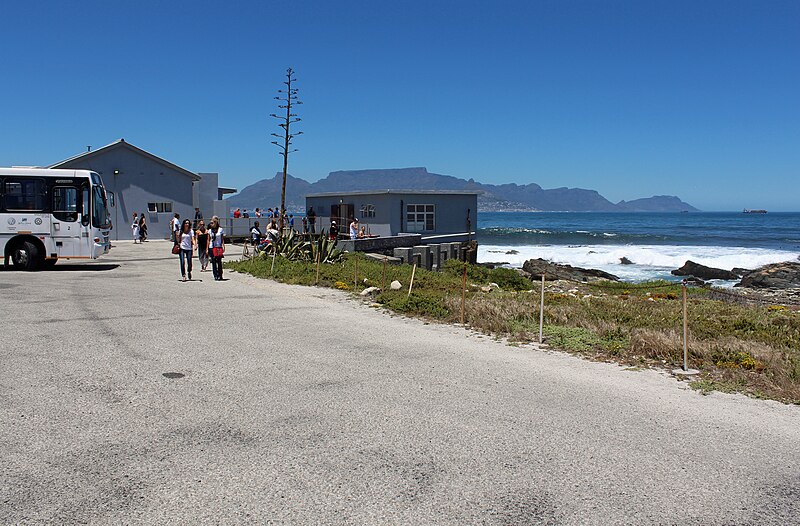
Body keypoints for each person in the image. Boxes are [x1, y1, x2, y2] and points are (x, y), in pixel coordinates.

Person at [208, 216, 225, 281]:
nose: (211, 224)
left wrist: (223, 245)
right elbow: (208, 240)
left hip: (218, 247)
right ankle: (215, 275)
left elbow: (222, 238)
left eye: (212, 223)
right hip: (212, 247)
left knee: (219, 262)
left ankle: (220, 274)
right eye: (211, 223)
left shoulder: (220, 230)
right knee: (214, 261)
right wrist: (207, 249)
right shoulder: (210, 231)